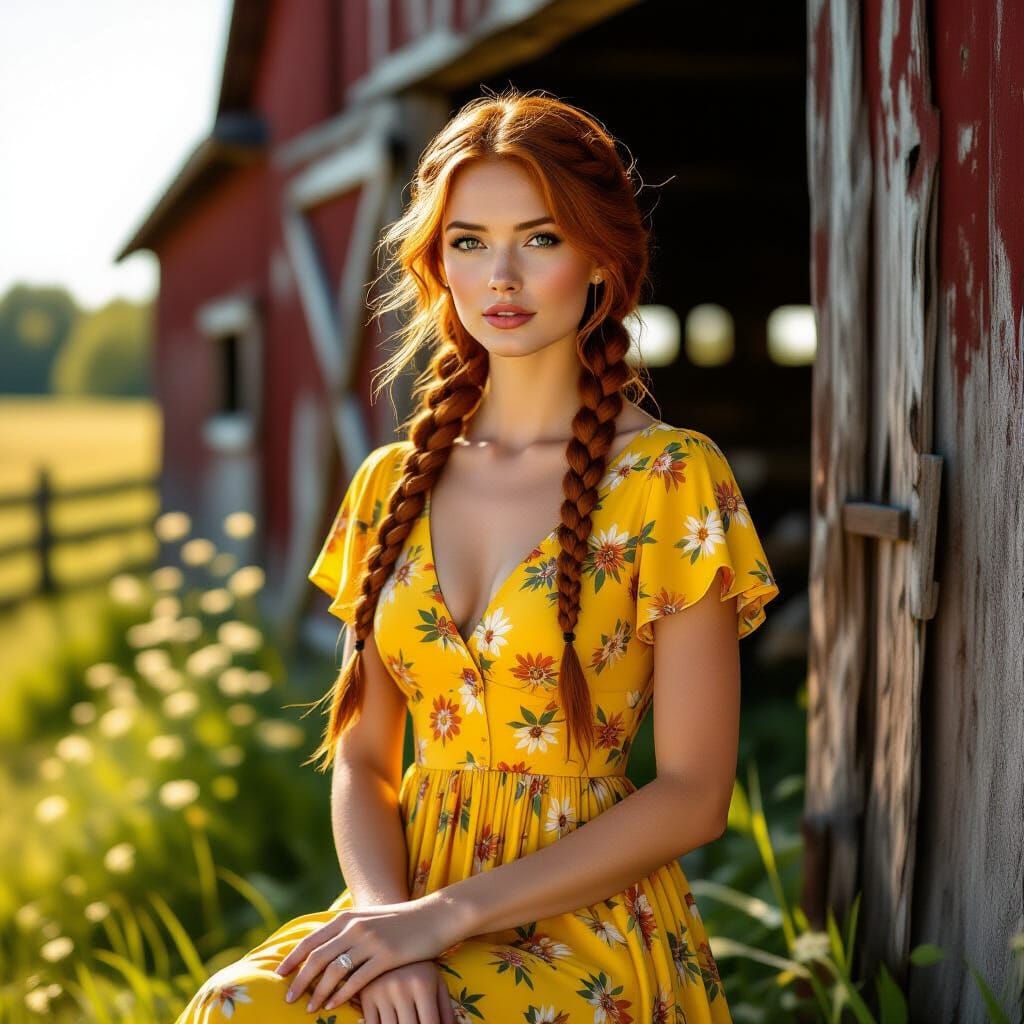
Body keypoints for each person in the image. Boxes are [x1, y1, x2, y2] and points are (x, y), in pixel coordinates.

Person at [175, 88, 779, 1024]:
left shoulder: (668, 479)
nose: (501, 275)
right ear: (435, 262)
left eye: (539, 239)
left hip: (583, 924)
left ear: (601, 261)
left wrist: (440, 922)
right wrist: (389, 928)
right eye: (468, 241)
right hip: (404, 900)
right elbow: (364, 764)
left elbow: (696, 797)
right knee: (234, 1006)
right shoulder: (390, 484)